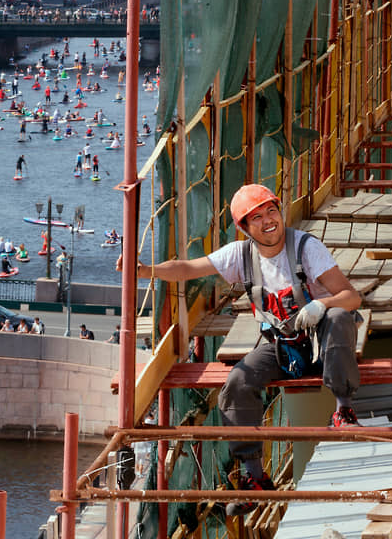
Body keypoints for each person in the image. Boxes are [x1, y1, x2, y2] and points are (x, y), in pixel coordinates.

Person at [118, 183, 363, 515]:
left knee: (338, 315)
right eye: (257, 217)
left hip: (323, 343)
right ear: (245, 228)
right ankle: (255, 479)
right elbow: (188, 268)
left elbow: (352, 297)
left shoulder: (306, 247)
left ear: (281, 210)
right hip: (283, 346)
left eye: (271, 211)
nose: (268, 221)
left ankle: (343, 411)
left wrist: (321, 304)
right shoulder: (241, 256)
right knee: (236, 384)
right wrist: (146, 271)